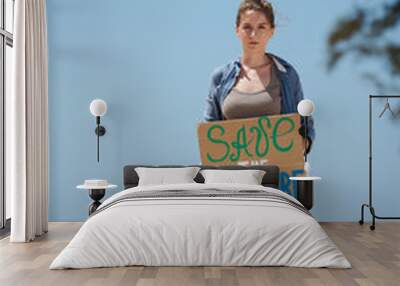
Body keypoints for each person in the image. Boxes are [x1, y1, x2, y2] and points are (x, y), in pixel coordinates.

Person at [204, 0, 315, 153]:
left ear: (272, 31)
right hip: (233, 175)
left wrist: (300, 146)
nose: (253, 34)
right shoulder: (220, 77)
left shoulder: (287, 75)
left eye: (261, 27)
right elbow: (209, 133)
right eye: (247, 27)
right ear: (237, 30)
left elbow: (305, 125)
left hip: (278, 174)